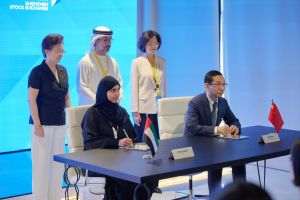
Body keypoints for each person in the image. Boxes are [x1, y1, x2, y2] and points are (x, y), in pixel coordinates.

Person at [81, 76, 155, 200]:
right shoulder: (92, 114)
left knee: (148, 175)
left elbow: (132, 136)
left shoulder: (121, 112)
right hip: (100, 164)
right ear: (103, 92)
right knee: (127, 180)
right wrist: (116, 143)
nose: (116, 94)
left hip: (123, 161)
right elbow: (90, 143)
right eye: (112, 91)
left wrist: (131, 141)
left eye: (118, 90)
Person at [184, 70, 246, 195]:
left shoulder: (222, 102)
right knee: (216, 159)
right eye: (218, 84)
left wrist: (235, 127)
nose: (222, 88)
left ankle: (241, 195)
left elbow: (234, 120)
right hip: (195, 144)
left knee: (239, 160)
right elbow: (191, 127)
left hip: (212, 144)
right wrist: (216, 130)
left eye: (224, 84)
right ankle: (215, 196)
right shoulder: (196, 102)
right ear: (206, 85)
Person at [28, 34, 70, 200]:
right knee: (41, 167)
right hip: (42, 126)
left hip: (60, 124)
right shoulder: (37, 72)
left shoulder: (63, 70)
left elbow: (66, 97)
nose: (61, 53)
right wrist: (37, 124)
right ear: (47, 51)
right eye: (58, 50)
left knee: (57, 166)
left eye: (62, 50)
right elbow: (31, 99)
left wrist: (71, 118)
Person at [131, 30, 166, 142]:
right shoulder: (137, 62)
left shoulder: (162, 62)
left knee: (156, 140)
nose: (153, 46)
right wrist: (134, 111)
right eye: (150, 43)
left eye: (156, 43)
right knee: (141, 140)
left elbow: (163, 86)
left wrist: (165, 104)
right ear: (143, 44)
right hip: (143, 108)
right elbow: (134, 88)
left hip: (158, 106)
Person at [77, 25, 122, 105]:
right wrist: (99, 100)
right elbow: (82, 87)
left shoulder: (113, 62)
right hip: (91, 109)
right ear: (95, 41)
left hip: (111, 107)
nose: (108, 43)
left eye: (110, 40)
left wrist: (116, 97)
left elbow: (119, 83)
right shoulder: (85, 61)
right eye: (105, 40)